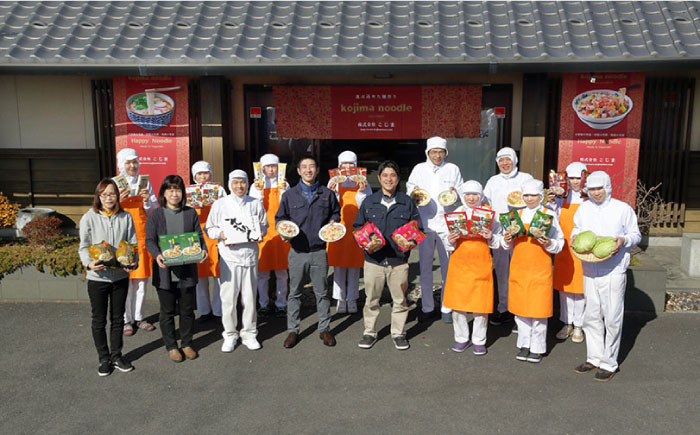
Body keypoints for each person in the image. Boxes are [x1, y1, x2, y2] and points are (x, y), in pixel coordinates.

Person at [571, 171, 640, 381]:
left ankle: (609, 362)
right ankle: (594, 357)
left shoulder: (622, 209)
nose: (596, 193)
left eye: (599, 188)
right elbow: (577, 229)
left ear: (608, 187)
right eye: (591, 189)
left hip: (614, 270)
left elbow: (635, 235)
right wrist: (575, 237)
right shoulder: (584, 209)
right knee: (591, 315)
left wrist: (622, 240)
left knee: (612, 316)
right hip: (590, 269)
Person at [354, 160, 422, 350]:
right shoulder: (369, 202)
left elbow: (418, 229)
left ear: (398, 178)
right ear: (379, 178)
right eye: (385, 175)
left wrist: (409, 242)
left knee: (400, 300)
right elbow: (358, 227)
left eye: (392, 175)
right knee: (371, 299)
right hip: (373, 260)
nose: (388, 179)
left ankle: (399, 333)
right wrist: (366, 242)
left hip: (398, 261)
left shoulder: (406, 202)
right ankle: (369, 332)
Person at [275, 155, 340, 349]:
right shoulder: (289, 195)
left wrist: (333, 222)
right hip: (297, 251)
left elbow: (336, 212)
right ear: (298, 171)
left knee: (321, 292)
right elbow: (280, 218)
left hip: (319, 250)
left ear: (317, 169)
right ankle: (292, 330)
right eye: (304, 167)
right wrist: (282, 230)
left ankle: (324, 329)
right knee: (294, 293)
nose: (308, 170)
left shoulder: (327, 193)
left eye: (312, 166)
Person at [145, 175, 208, 363]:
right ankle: (171, 345)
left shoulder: (190, 213)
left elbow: (199, 237)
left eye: (178, 190)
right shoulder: (156, 214)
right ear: (164, 193)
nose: (174, 194)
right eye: (170, 190)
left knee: (188, 310)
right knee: (167, 311)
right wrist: (157, 254)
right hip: (165, 271)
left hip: (187, 270)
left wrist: (203, 250)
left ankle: (187, 342)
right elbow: (149, 240)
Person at [78, 179, 138, 376]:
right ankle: (103, 358)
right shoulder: (89, 217)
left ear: (118, 196)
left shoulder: (126, 217)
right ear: (98, 196)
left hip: (120, 276)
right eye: (104, 194)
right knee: (99, 320)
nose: (108, 198)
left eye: (112, 194)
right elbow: (83, 246)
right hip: (98, 277)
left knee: (118, 318)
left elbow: (132, 243)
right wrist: (89, 263)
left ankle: (116, 355)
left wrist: (132, 261)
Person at [502, 179, 563, 363]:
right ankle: (524, 343)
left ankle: (537, 347)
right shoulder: (515, 215)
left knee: (538, 309)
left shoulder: (548, 214)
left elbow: (560, 242)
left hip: (540, 268)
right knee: (521, 309)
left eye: (534, 195)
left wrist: (549, 243)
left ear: (541, 196)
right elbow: (506, 245)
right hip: (519, 267)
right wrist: (506, 238)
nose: (529, 199)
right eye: (526, 195)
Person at [207, 170, 267, 352]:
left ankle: (249, 333)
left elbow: (263, 224)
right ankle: (230, 334)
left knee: (249, 298)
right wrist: (221, 234)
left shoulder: (255, 203)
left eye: (242, 182)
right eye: (235, 182)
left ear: (247, 183)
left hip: (249, 255)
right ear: (229, 184)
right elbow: (210, 228)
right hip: (228, 257)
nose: (239, 186)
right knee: (228, 299)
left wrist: (260, 233)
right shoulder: (220, 204)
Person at [441, 180, 502, 356]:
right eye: (467, 194)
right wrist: (450, 240)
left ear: (481, 196)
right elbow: (446, 241)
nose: (471, 198)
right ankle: (461, 338)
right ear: (462, 196)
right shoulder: (456, 213)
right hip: (459, 262)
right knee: (458, 304)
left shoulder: (489, 215)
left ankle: (479, 340)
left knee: (480, 305)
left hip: (481, 262)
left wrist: (490, 237)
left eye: (475, 194)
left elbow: (499, 242)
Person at [406, 136, 463, 323]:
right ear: (427, 153)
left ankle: (447, 307)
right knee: (425, 267)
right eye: (434, 152)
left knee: (449, 268)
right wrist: (414, 191)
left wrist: (456, 193)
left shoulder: (452, 168)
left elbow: (461, 191)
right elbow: (409, 191)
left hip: (446, 225)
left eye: (441, 152)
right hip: (425, 223)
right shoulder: (419, 169)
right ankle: (427, 307)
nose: (437, 155)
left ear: (445, 153)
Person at [483, 147, 533, 327]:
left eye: (508, 160)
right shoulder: (493, 181)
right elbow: (485, 202)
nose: (505, 163)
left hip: (521, 229)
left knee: (521, 270)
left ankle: (521, 309)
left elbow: (535, 199)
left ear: (515, 160)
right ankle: (504, 308)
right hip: (498, 228)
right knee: (502, 271)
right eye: (501, 160)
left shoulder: (526, 178)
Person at [116, 148, 158, 336]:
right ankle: (126, 320)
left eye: (135, 162)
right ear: (121, 165)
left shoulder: (145, 184)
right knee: (126, 281)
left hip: (141, 236)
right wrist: (118, 199)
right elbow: (105, 209)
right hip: (122, 239)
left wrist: (147, 201)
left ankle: (139, 317)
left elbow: (154, 211)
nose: (132, 166)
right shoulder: (114, 185)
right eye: (128, 162)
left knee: (141, 281)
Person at [547, 162, 588, 343]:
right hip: (563, 247)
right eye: (571, 178)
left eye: (579, 177)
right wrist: (549, 201)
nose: (575, 181)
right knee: (564, 289)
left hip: (581, 248)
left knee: (580, 290)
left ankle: (579, 325)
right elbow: (552, 217)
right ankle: (567, 323)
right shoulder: (561, 196)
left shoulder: (588, 198)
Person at [327, 150, 372, 314]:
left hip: (356, 228)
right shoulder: (333, 181)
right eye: (344, 164)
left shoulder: (363, 182)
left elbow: (367, 206)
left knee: (354, 266)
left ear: (356, 166)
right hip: (338, 228)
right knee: (339, 266)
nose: (347, 167)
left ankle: (352, 298)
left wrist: (361, 191)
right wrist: (331, 192)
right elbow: (328, 206)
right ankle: (339, 299)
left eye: (351, 164)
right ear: (339, 166)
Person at [249, 153, 289, 318]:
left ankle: (282, 303)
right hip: (262, 232)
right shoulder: (254, 186)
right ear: (262, 168)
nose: (271, 170)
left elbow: (287, 205)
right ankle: (263, 303)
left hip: (280, 231)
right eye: (267, 167)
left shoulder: (285, 184)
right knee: (263, 272)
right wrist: (258, 192)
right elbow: (252, 209)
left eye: (274, 166)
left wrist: (284, 190)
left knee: (282, 271)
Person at [190, 161, 226, 321]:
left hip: (216, 234)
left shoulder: (219, 189)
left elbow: (227, 208)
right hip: (197, 234)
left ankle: (219, 310)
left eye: (205, 173)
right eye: (199, 174)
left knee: (218, 275)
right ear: (194, 176)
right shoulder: (189, 191)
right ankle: (204, 311)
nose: (203, 176)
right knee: (200, 275)